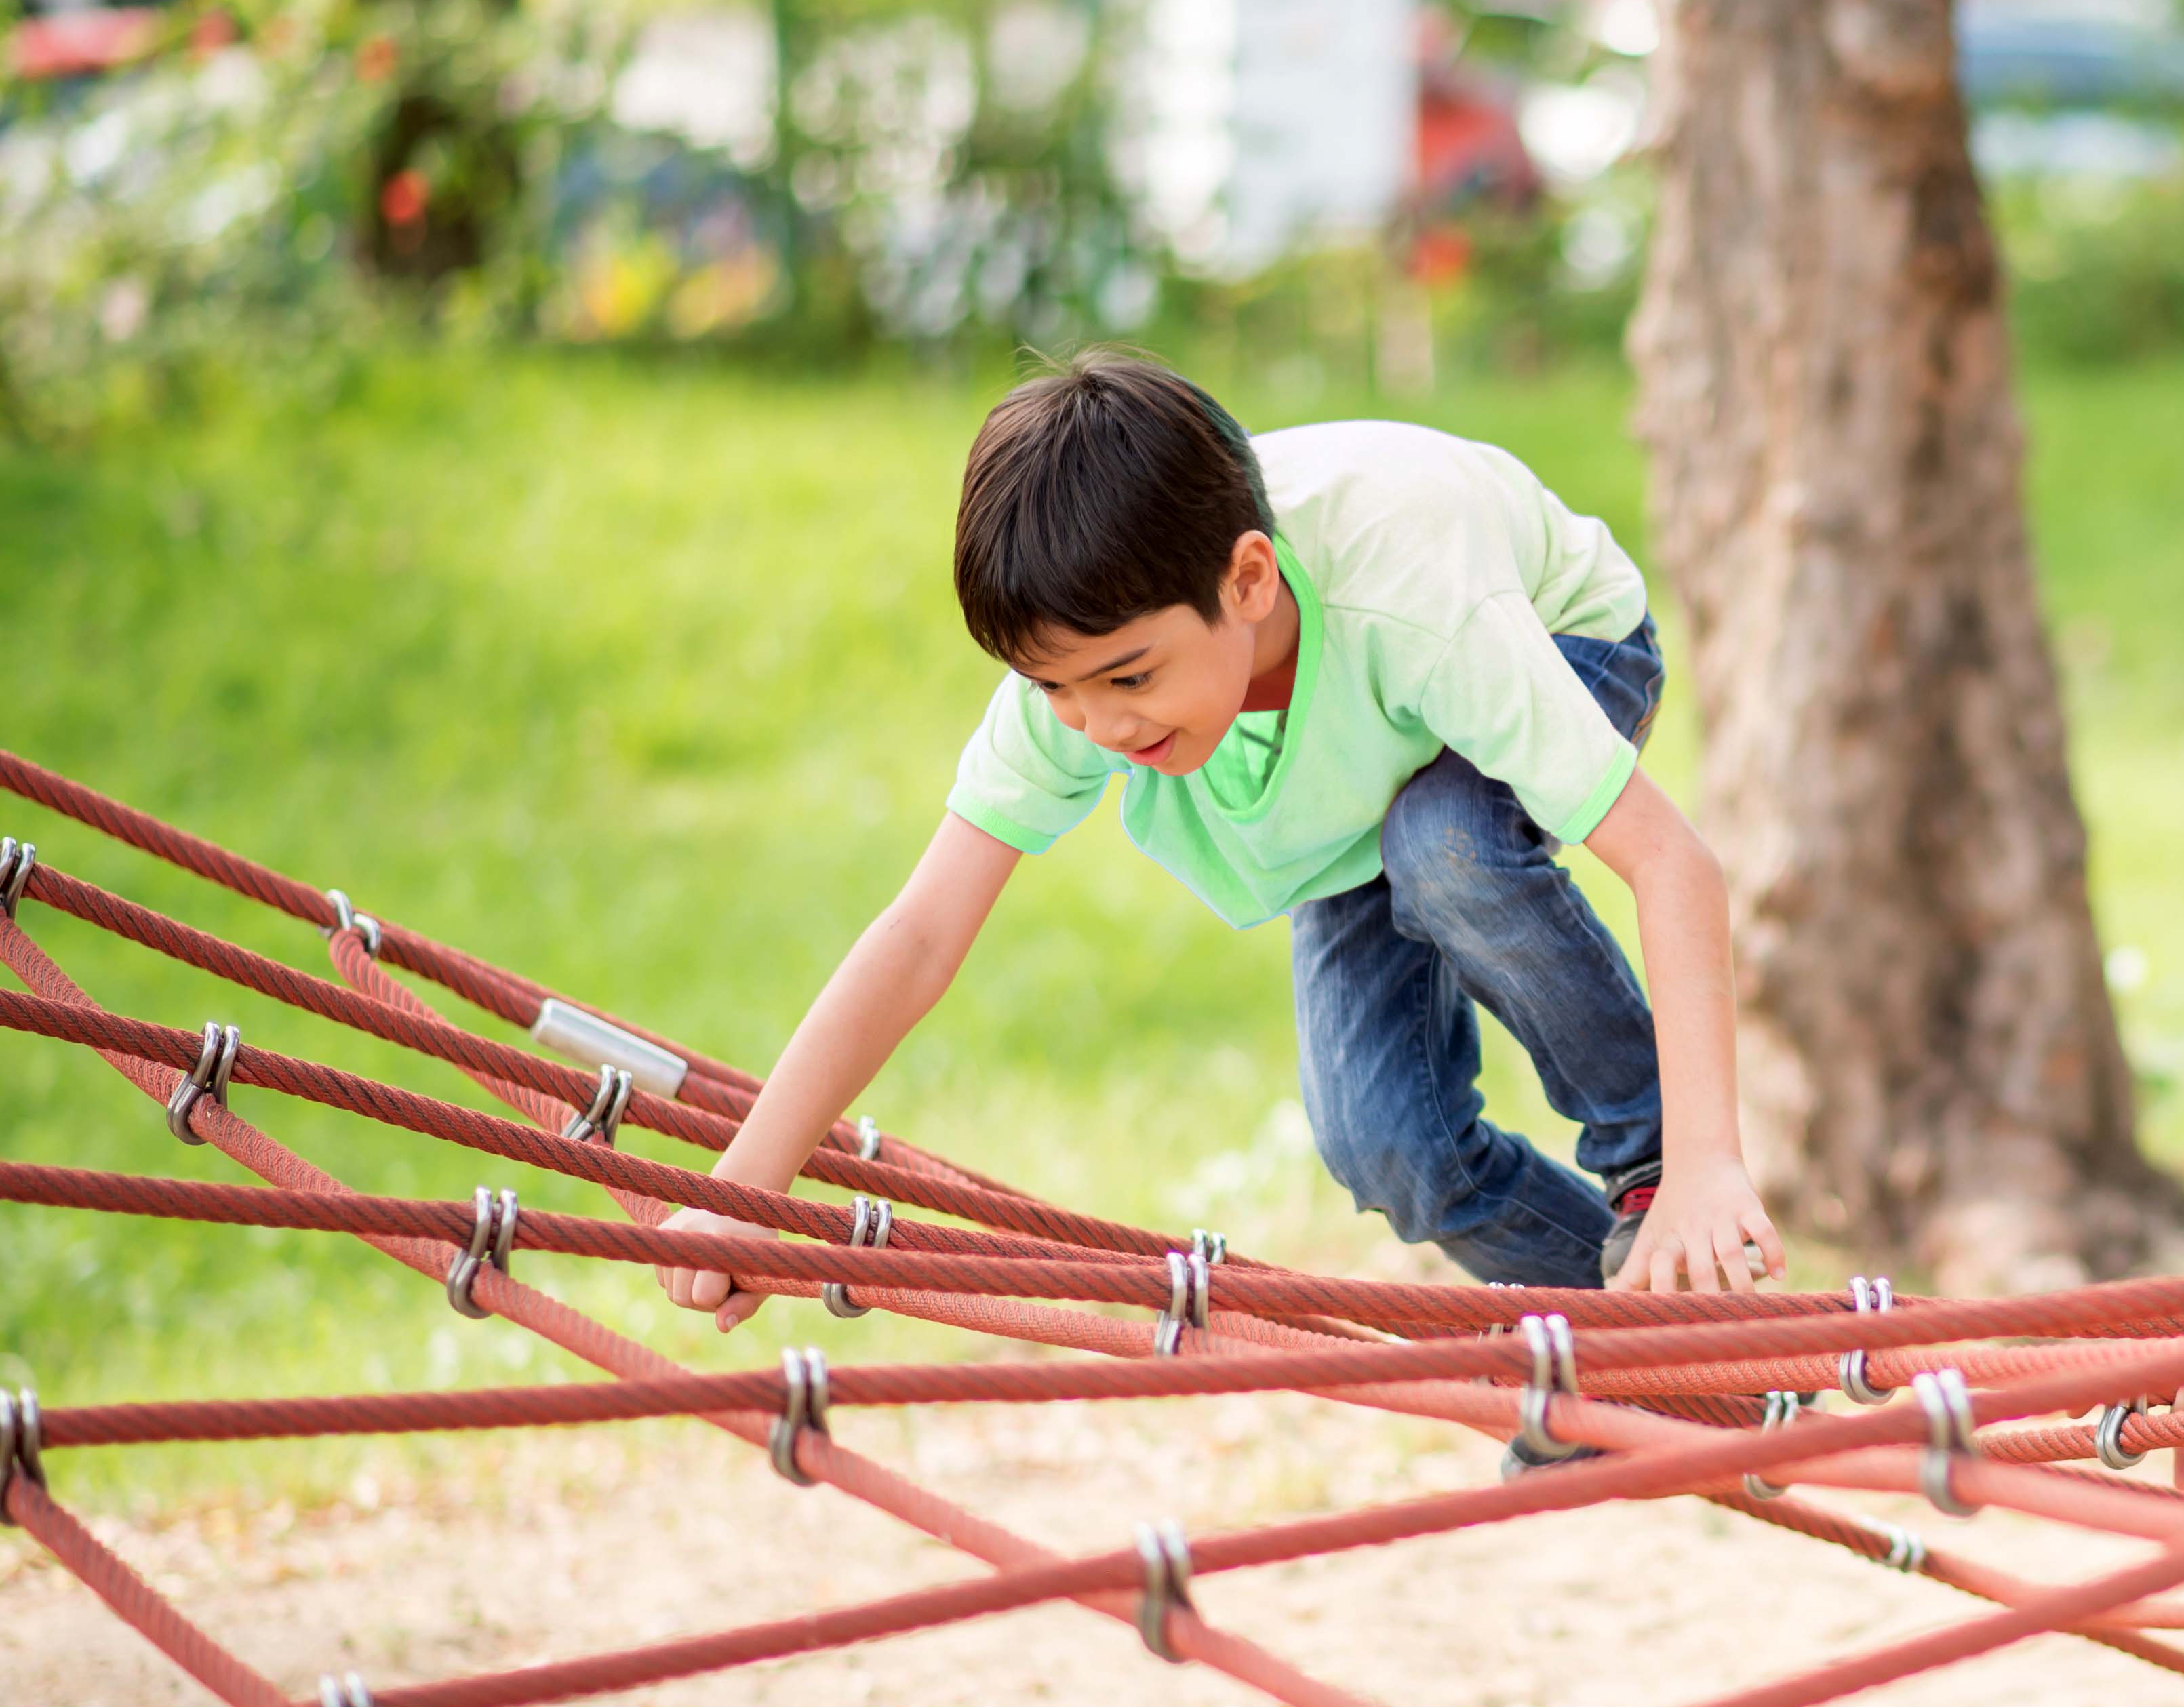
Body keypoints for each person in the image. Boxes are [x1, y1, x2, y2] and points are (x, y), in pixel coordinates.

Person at [658, 350, 1781, 1322]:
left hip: (1560, 636)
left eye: (1127, 677)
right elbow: (919, 936)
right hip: (1363, 753)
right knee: (1386, 1144)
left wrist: (1704, 1163)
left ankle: (1651, 1168)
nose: (1100, 725)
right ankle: (1607, 1339)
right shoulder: (1089, 678)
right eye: (1056, 691)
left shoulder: (1420, 599)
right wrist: (746, 1191)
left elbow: (1670, 860)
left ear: (1247, 579)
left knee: (1449, 846)